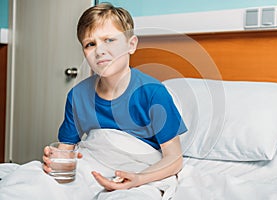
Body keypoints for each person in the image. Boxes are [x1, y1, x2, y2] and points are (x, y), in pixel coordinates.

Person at [43, 2, 187, 193]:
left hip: (141, 172)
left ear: (131, 45)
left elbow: (174, 158)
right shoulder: (77, 96)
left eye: (109, 40)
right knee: (34, 182)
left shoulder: (153, 93)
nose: (100, 51)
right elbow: (66, 149)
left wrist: (138, 179)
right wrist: (56, 160)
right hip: (93, 168)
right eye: (90, 44)